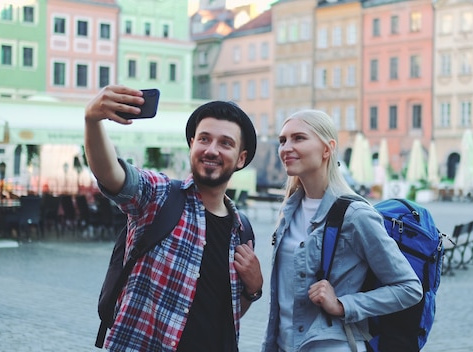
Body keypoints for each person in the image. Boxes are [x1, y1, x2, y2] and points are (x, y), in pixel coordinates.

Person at [84, 85, 263, 352]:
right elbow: (111, 174)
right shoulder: (158, 196)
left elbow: (229, 313)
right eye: (204, 139)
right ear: (192, 144)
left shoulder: (242, 232)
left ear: (241, 158)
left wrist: (253, 287)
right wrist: (92, 120)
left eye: (225, 143)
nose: (212, 150)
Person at [262, 110, 423, 352]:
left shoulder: (356, 214)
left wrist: (342, 304)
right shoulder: (288, 210)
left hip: (331, 345)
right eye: (283, 140)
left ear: (327, 149)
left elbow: (409, 288)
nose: (286, 147)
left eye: (299, 138)